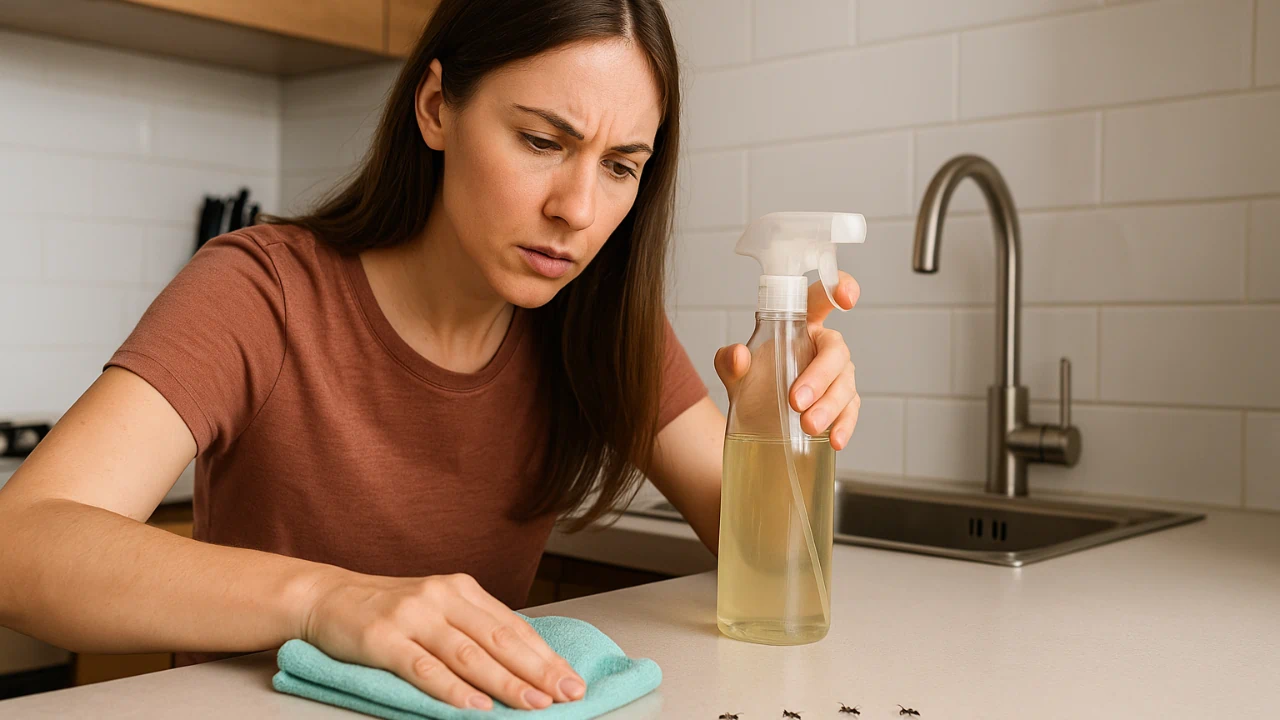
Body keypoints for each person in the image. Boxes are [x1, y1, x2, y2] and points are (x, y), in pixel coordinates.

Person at [0, 0, 860, 711]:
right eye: (542, 141)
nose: (577, 209)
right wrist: (324, 599)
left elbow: (783, 568)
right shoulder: (262, 290)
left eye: (621, 167)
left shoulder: (597, 327)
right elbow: (23, 545)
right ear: (437, 107)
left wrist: (784, 422)